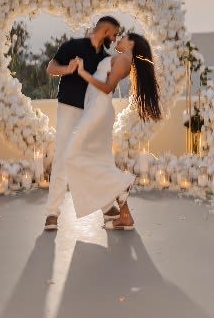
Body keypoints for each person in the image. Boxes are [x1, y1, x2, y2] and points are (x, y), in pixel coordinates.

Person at [66, 31, 162, 230]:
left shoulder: (124, 60)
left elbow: (107, 87)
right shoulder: (119, 59)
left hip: (98, 112)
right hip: (96, 110)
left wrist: (82, 72)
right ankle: (123, 215)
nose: (119, 40)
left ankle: (121, 186)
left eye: (123, 37)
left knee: (72, 155)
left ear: (131, 43)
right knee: (102, 163)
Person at [43, 15, 121, 230]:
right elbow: (50, 68)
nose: (115, 40)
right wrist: (67, 69)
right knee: (62, 157)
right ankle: (52, 213)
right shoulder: (73, 45)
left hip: (91, 114)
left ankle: (106, 207)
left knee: (93, 157)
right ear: (105, 31)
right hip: (68, 108)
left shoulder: (105, 58)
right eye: (114, 35)